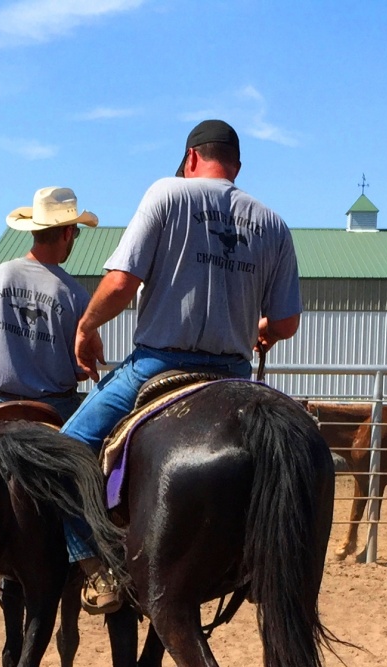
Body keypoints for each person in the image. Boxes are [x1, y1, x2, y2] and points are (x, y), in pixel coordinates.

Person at [64, 120, 303, 613]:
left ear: (191, 157)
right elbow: (286, 322)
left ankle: (95, 565)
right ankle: (260, 565)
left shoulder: (168, 194)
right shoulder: (273, 224)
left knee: (66, 450)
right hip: (234, 375)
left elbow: (122, 283)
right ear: (236, 165)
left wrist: (87, 327)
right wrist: (261, 329)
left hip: (160, 364)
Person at [0, 187, 97, 440]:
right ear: (68, 232)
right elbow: (82, 371)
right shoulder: (76, 294)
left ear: (33, 230)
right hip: (54, 409)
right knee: (95, 470)